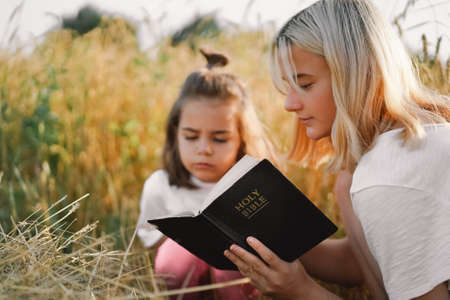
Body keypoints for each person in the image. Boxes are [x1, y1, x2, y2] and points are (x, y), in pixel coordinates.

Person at [223, 0, 450, 299]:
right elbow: (363, 260)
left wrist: (301, 291)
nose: (289, 104)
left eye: (304, 84)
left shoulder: (388, 177)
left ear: (355, 73)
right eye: (287, 88)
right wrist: (265, 238)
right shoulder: (412, 143)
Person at [136, 49, 273, 300]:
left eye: (220, 139)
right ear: (175, 134)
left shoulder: (253, 186)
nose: (204, 149)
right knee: (176, 257)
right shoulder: (160, 186)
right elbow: (150, 246)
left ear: (241, 139)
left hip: (239, 284)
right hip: (183, 284)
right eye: (191, 136)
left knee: (231, 266)